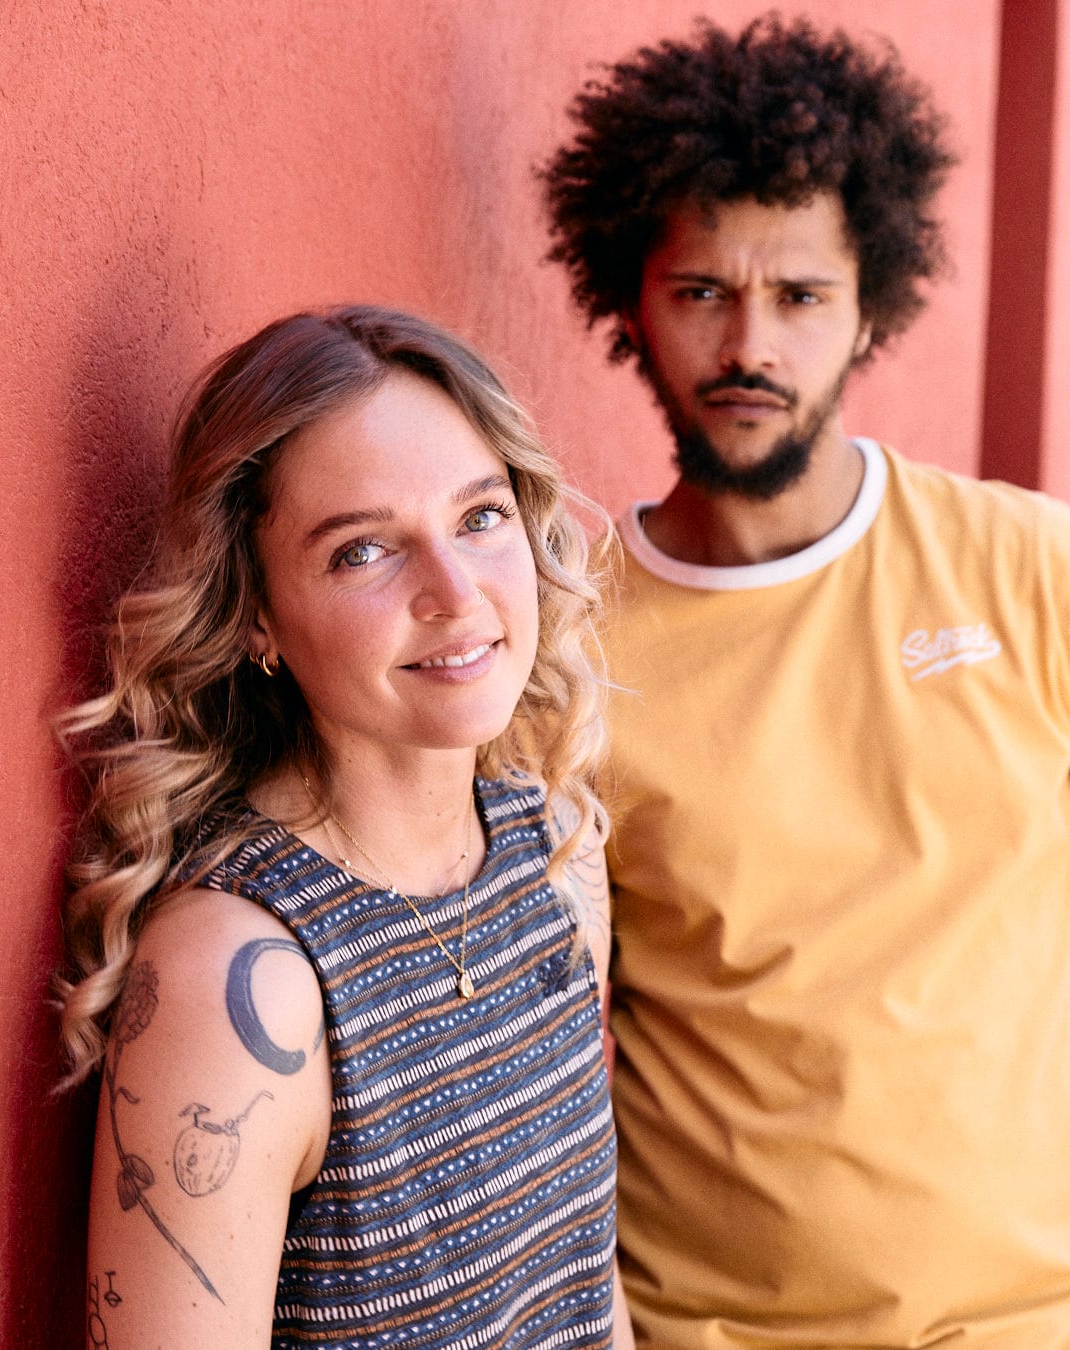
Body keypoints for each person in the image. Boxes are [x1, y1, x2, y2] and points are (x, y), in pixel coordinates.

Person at [542, 13, 1070, 1348]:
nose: (749, 347)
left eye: (800, 296)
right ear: (629, 298)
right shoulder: (569, 650)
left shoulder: (1028, 568)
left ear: (871, 303)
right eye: (700, 291)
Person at [58, 305, 635, 1348]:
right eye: (364, 550)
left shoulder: (555, 849)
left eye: (480, 516)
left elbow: (591, 1297)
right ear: (256, 615)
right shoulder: (244, 982)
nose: (455, 594)